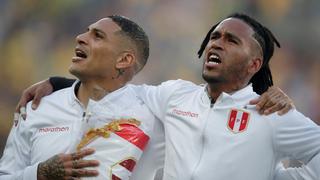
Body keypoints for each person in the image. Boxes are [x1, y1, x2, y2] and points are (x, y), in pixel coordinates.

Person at [11, 13, 317, 180]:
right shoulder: (175, 96)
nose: (216, 43)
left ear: (254, 64)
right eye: (214, 36)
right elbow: (118, 91)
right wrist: (58, 83)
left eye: (231, 40)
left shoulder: (269, 112)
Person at [0, 15, 165, 180]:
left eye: (98, 36)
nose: (80, 38)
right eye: (87, 32)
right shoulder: (37, 108)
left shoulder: (152, 119)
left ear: (123, 60)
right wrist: (39, 173)